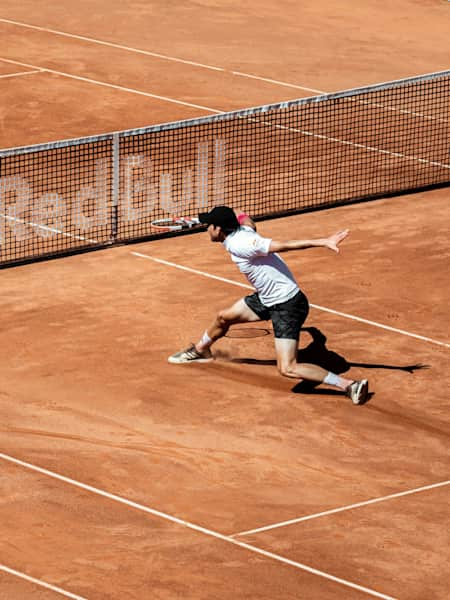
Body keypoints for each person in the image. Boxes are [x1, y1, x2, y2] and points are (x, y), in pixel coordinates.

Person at [168, 206, 369, 405]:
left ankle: (349, 385)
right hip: (267, 298)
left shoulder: (242, 244)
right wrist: (238, 212)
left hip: (287, 305)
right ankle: (200, 350)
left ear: (218, 229)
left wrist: (323, 241)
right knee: (223, 317)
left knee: (287, 368)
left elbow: (284, 245)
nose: (206, 229)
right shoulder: (242, 231)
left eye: (208, 225)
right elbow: (247, 221)